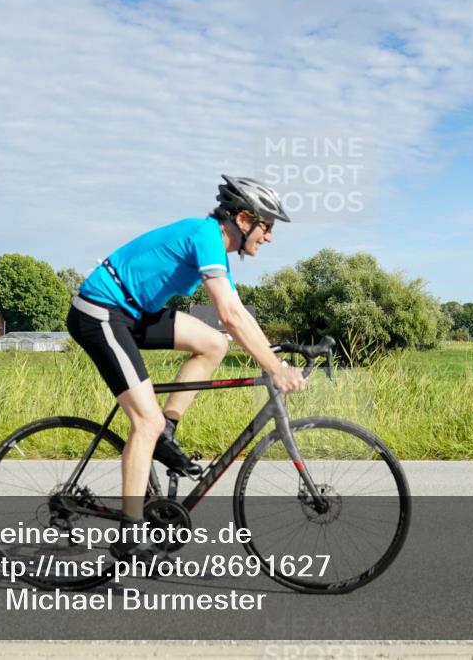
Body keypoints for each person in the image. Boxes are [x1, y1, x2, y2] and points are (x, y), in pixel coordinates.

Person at [66, 175, 307, 558]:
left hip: (133, 312)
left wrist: (274, 354)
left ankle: (166, 433)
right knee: (146, 421)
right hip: (100, 313)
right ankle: (130, 533)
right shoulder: (206, 236)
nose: (270, 237)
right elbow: (228, 314)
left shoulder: (213, 244)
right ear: (244, 219)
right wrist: (274, 367)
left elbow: (237, 313)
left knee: (212, 344)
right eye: (268, 226)